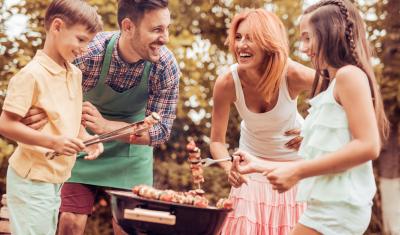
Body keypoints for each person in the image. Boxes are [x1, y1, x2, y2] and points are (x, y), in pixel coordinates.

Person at [21, 0, 180, 234]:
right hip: (82, 143)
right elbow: (45, 81)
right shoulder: (89, 52)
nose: (165, 37)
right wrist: (40, 109)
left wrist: (107, 127)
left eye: (166, 28)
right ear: (128, 27)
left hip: (130, 155)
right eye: (157, 29)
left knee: (129, 226)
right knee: (70, 222)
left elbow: (161, 130)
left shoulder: (165, 66)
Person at [233, 0, 390, 234]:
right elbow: (330, 158)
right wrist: (259, 164)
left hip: (337, 209)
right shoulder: (336, 84)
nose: (303, 47)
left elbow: (368, 145)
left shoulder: (349, 76)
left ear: (330, 34)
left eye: (308, 37)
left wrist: (296, 172)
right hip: (324, 207)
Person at [0, 0, 103, 234]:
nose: (84, 48)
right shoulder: (31, 75)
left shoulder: (74, 74)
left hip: (55, 180)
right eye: (81, 39)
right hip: (31, 179)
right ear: (57, 27)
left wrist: (86, 138)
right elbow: (5, 124)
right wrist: (54, 142)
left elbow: (70, 119)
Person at [210, 8, 315, 235]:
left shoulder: (291, 73)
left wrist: (314, 130)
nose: (241, 45)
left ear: (268, 43)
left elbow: (342, 90)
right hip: (251, 171)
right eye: (238, 37)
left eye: (250, 38)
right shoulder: (227, 82)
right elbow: (216, 141)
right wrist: (229, 168)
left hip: (293, 169)